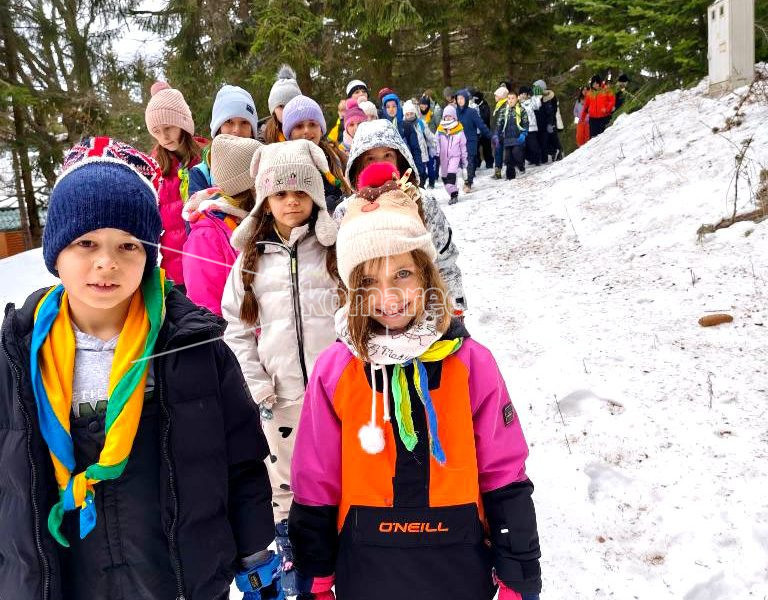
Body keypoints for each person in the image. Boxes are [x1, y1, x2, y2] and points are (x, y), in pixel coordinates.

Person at [0, 137, 279, 600]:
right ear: (56, 252)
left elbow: (240, 456)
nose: (106, 262)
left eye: (128, 245)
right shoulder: (18, 354)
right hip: (64, 577)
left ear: (149, 255)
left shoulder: (190, 345)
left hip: (174, 575)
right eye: (86, 243)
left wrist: (253, 550)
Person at [287, 172, 542, 600]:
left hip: (459, 570)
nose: (388, 297)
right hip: (365, 570)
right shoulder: (336, 370)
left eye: (402, 273)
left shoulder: (471, 364)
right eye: (369, 282)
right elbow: (315, 481)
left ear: (426, 274)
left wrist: (519, 575)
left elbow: (504, 474)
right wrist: (316, 579)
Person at [221, 139, 340, 596]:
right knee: (283, 480)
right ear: (265, 200)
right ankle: (292, 549)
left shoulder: (333, 250)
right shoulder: (249, 261)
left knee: (337, 471)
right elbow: (234, 327)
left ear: (315, 195)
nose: (292, 202)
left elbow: (355, 315)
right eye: (280, 193)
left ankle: (341, 550)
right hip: (279, 395)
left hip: (335, 395)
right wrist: (256, 383)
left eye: (301, 191)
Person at [335, 119, 467, 315]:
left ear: (400, 159)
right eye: (370, 158)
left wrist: (453, 309)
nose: (380, 163)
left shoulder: (422, 201)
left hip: (424, 309)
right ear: (358, 164)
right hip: (374, 312)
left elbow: (445, 260)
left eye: (387, 155)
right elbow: (343, 274)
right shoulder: (347, 211)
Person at [181, 134, 259, 316]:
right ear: (249, 185)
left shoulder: (258, 217)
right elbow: (206, 305)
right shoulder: (206, 234)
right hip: (235, 329)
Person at [145, 81, 205, 289]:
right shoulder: (154, 168)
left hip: (209, 262)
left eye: (168, 127)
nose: (164, 137)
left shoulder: (207, 158)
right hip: (175, 270)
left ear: (183, 123)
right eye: (156, 131)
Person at [281, 94, 352, 214]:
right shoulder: (283, 165)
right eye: (299, 126)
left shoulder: (335, 157)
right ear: (289, 133)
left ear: (321, 128)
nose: (306, 130)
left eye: (312, 124)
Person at [186, 84, 260, 197]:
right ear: (218, 128)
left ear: (252, 130)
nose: (237, 130)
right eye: (229, 122)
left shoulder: (263, 165)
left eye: (244, 122)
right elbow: (197, 207)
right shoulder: (201, 174)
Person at [454, 89, 492, 193]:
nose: (460, 101)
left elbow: (481, 124)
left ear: (466, 99)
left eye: (462, 98)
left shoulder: (472, 112)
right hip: (458, 143)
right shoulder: (455, 112)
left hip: (471, 141)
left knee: (469, 162)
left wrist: (490, 135)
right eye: (458, 99)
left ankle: (468, 183)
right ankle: (464, 180)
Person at [261, 64, 303, 144]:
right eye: (281, 106)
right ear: (273, 109)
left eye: (291, 105)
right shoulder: (263, 136)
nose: (286, 110)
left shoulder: (308, 130)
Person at [436, 104, 467, 204]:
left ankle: (454, 195)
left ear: (454, 117)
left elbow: (463, 145)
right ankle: (453, 192)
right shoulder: (440, 129)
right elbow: (436, 141)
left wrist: (464, 159)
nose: (448, 118)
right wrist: (437, 152)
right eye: (446, 116)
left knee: (451, 174)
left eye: (450, 116)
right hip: (443, 157)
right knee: (444, 177)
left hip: (455, 156)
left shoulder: (459, 130)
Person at [498, 90, 530, 180]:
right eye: (509, 98)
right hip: (507, 138)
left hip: (518, 137)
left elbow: (526, 123)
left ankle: (520, 166)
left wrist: (524, 133)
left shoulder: (521, 110)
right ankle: (510, 177)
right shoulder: (503, 111)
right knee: (508, 158)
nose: (510, 100)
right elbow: (499, 124)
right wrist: (498, 135)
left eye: (513, 98)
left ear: (517, 99)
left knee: (516, 154)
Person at [402, 99, 430, 186]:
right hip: (410, 154)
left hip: (422, 152)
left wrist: (434, 145)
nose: (410, 116)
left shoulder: (420, 123)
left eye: (411, 113)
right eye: (407, 114)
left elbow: (428, 135)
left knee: (422, 172)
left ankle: (422, 183)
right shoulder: (403, 126)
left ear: (415, 113)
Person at [581, 74, 616, 138]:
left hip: (604, 117)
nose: (595, 85)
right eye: (594, 84)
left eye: (597, 83)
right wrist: (582, 118)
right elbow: (586, 106)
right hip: (593, 119)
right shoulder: (589, 93)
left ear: (600, 83)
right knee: (594, 139)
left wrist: (607, 109)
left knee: (605, 137)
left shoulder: (606, 90)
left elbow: (612, 101)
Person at [538, 81, 564, 162]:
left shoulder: (549, 95)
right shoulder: (540, 97)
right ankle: (553, 152)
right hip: (545, 121)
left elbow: (552, 109)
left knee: (553, 137)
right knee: (548, 138)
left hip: (551, 121)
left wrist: (550, 122)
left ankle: (559, 151)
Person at [518, 86, 542, 168]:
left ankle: (537, 160)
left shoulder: (530, 101)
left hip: (531, 128)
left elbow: (537, 105)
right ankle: (529, 159)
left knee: (533, 145)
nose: (523, 95)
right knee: (523, 146)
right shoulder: (517, 104)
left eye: (525, 94)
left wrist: (535, 96)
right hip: (521, 129)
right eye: (521, 94)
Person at [472, 89, 494, 170]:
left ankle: (489, 163)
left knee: (487, 148)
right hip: (476, 132)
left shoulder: (484, 105)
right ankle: (477, 163)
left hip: (485, 130)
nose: (474, 100)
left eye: (476, 98)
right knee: (475, 148)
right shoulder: (473, 106)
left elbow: (486, 117)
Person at [491, 85, 509, 179]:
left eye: (496, 95)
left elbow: (502, 120)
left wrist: (499, 132)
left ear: (501, 96)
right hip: (496, 132)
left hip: (501, 133)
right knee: (497, 152)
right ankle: (497, 171)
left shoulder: (504, 105)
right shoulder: (499, 105)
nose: (495, 97)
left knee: (500, 151)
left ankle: (499, 171)